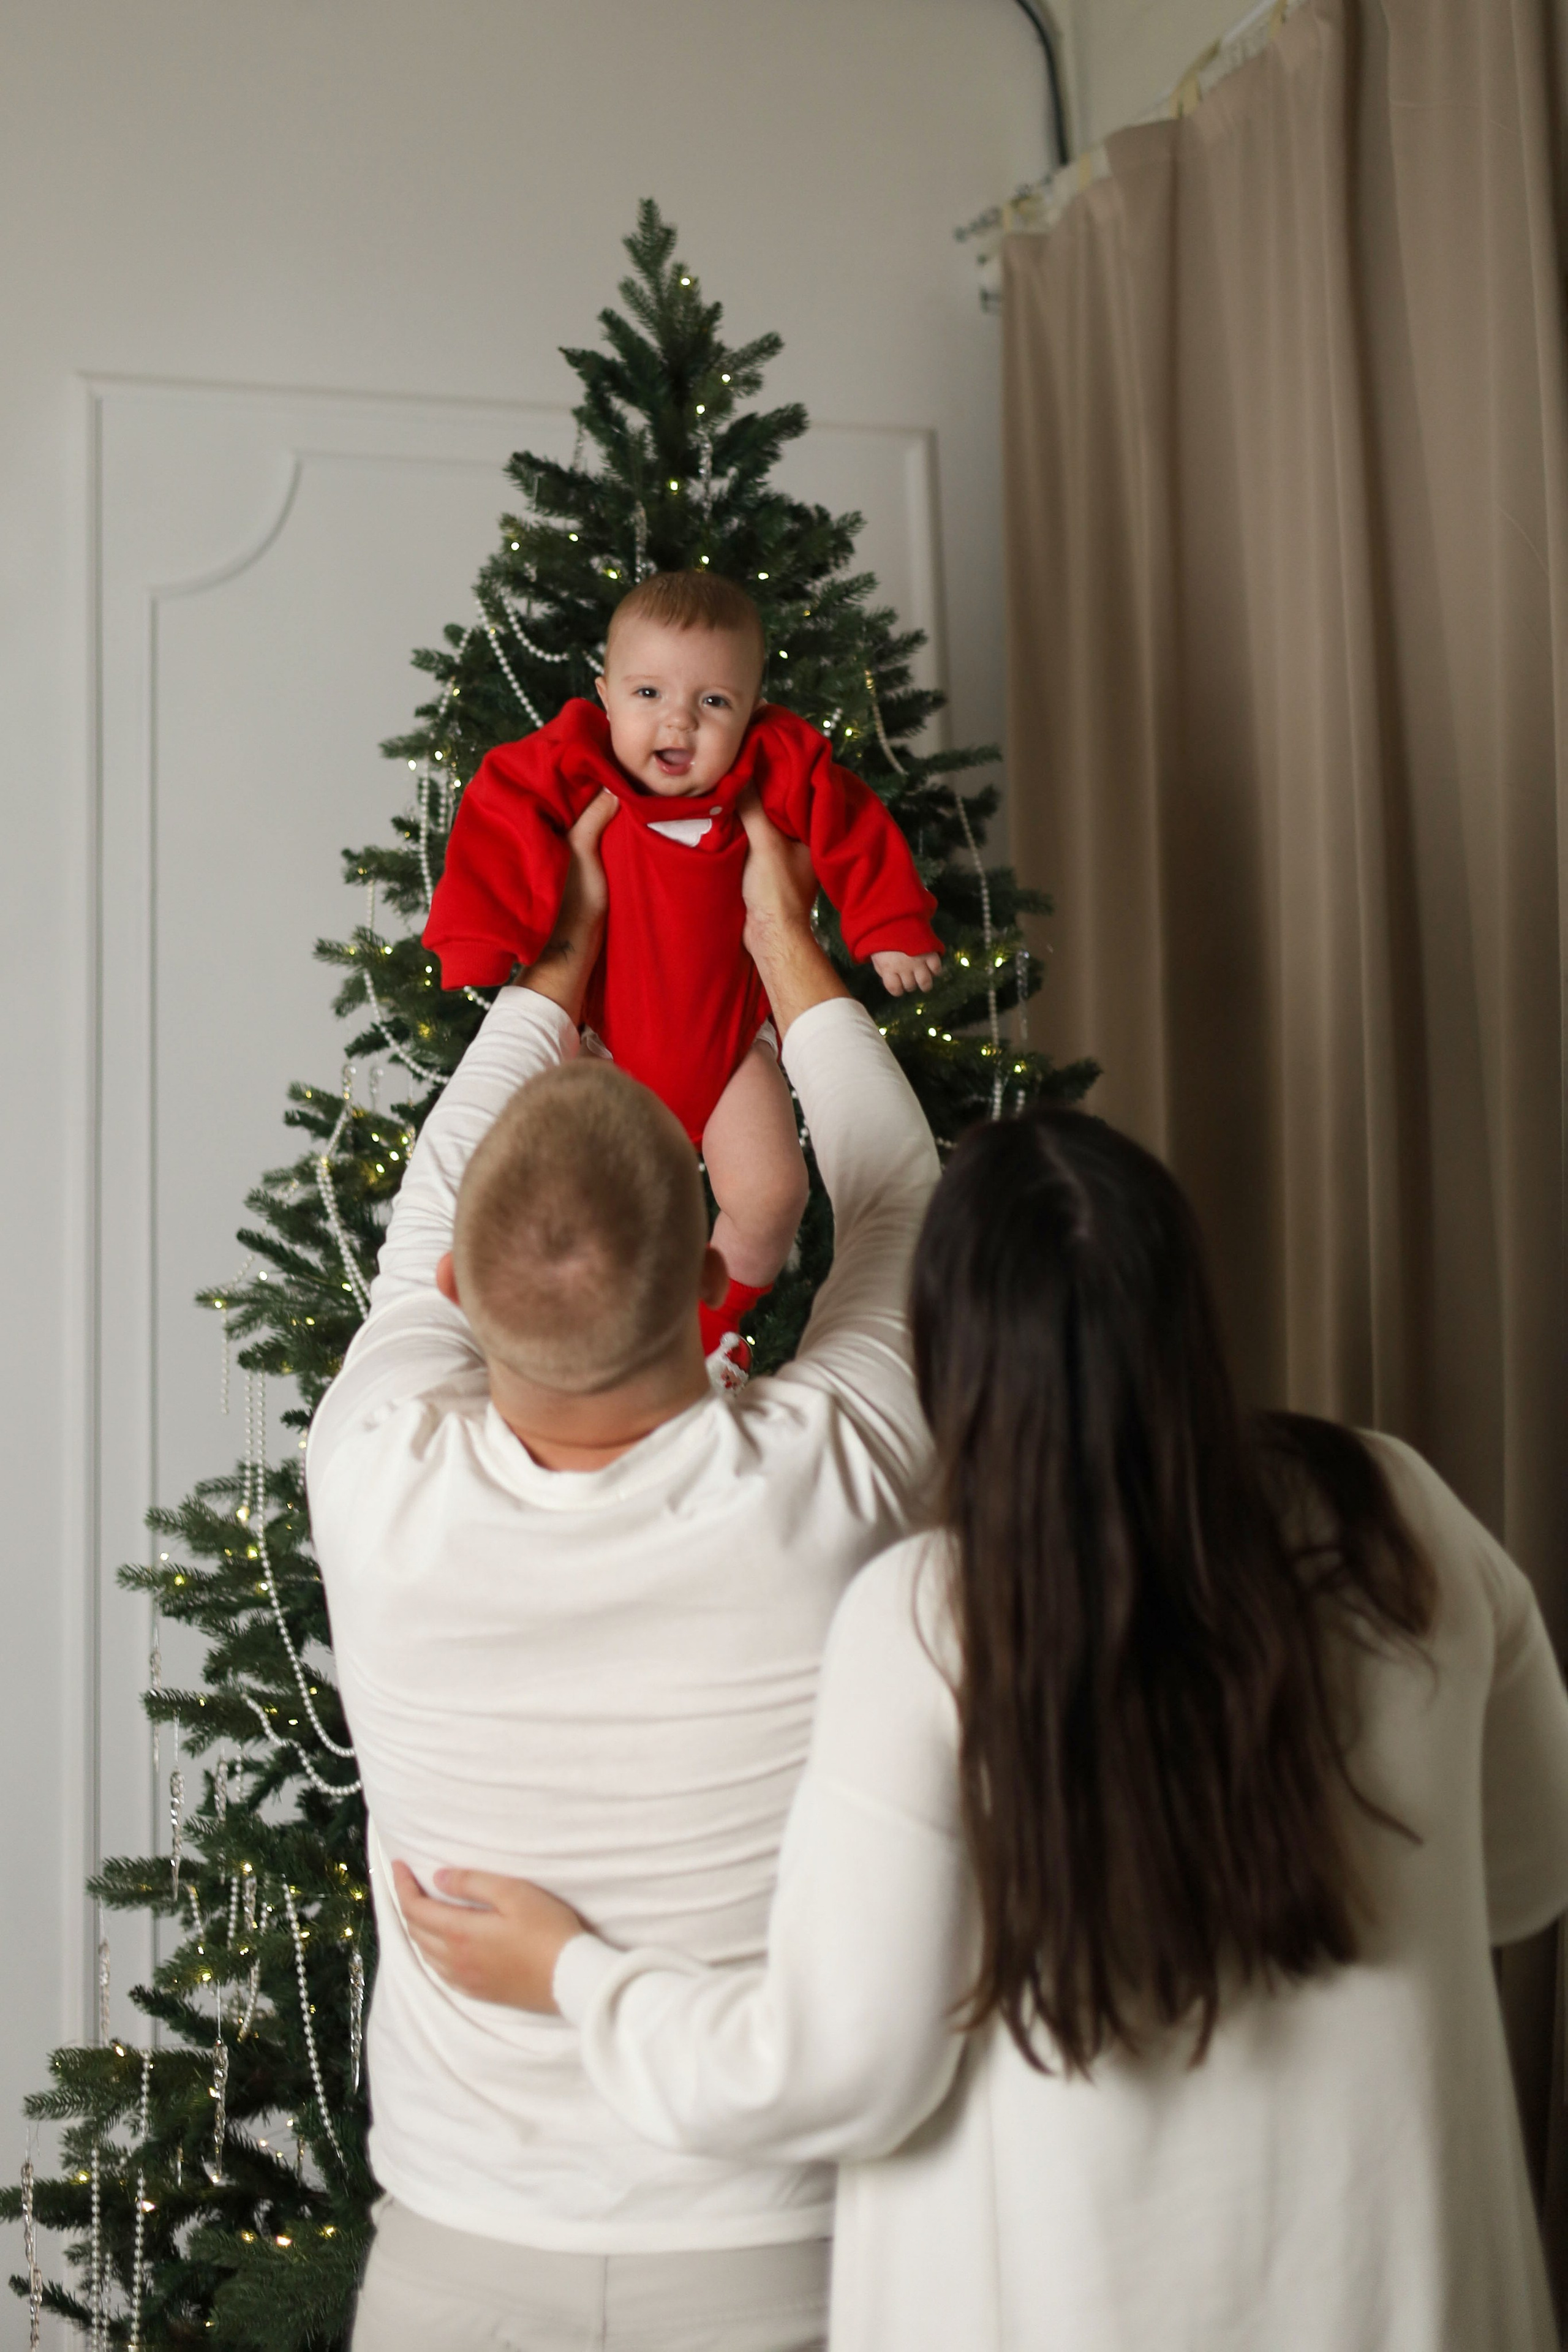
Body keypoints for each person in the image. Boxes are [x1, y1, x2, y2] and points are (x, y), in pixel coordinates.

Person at [398, 1106, 1568, 2351]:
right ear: (1184, 1314)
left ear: (954, 1364)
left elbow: (835, 2073)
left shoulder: (935, 1622)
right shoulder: (1397, 1513)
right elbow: (1520, 1877)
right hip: (1408, 2298)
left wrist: (574, 1976)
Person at [307, 788, 940, 2351]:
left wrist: (563, 958)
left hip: (456, 2257)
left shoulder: (373, 1472)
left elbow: (423, 1220)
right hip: (763, 2254)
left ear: (460, 1286)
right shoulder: (827, 1487)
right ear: (718, 1278)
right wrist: (785, 946)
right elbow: (900, 1207)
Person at [423, 569, 943, 1363]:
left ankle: (708, 1335)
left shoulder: (774, 764)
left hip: (732, 1045)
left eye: (713, 702)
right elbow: (499, 812)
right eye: (648, 694)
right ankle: (589, 1354)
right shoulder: (577, 758)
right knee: (581, 1220)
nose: (679, 720)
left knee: (773, 1199)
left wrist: (891, 923)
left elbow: (850, 822)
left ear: (753, 708)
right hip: (604, 1050)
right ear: (604, 696)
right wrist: (480, 940)